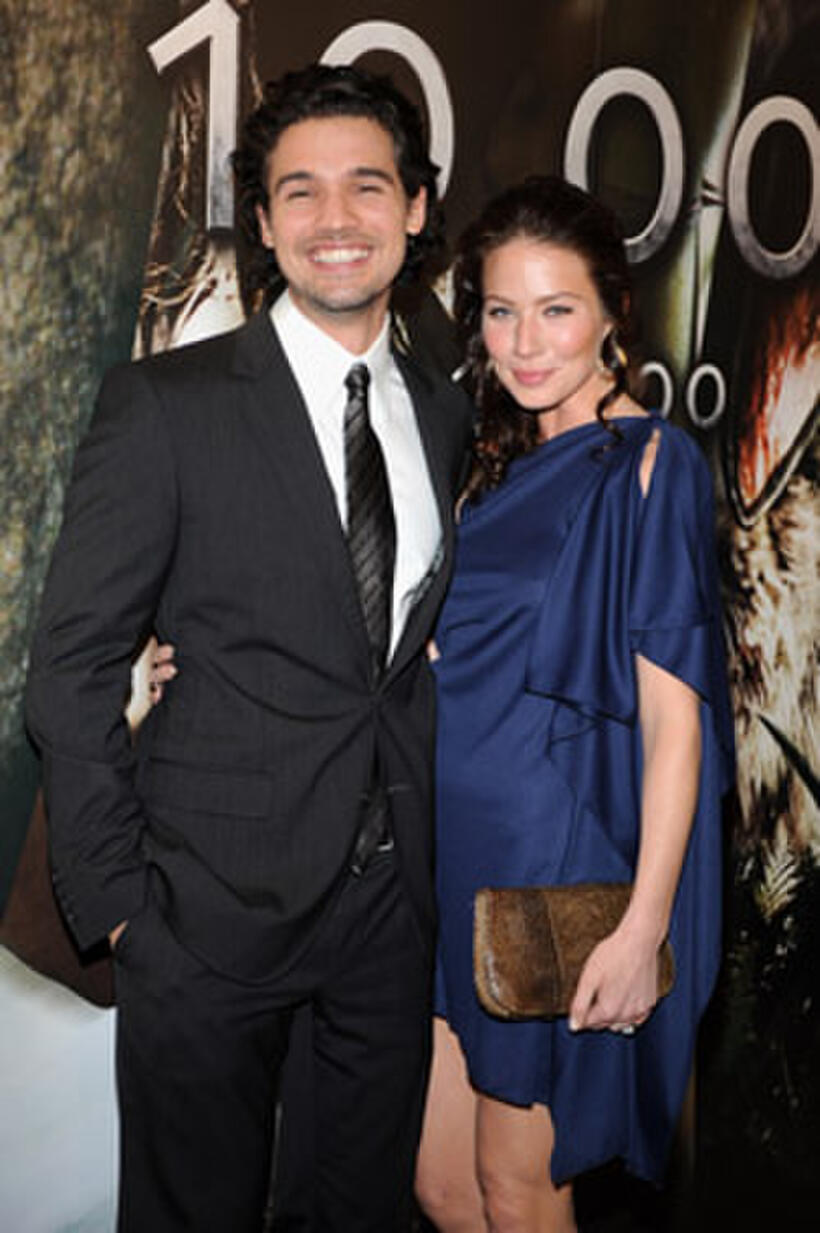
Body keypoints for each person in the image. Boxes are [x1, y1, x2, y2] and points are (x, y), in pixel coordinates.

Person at [25, 63, 472, 1233]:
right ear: (265, 224)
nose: (338, 221)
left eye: (367, 188)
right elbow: (70, 669)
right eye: (301, 193)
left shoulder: (441, 409)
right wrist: (120, 904)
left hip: (387, 921)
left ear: (416, 209)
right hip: (204, 913)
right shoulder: (164, 403)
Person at [413, 176, 734, 1232]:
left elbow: (674, 718)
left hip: (553, 860)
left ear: (609, 314)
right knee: (442, 1186)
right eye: (500, 310)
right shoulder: (498, 463)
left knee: (516, 1188)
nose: (524, 340)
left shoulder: (651, 465)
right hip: (454, 858)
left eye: (556, 309)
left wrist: (643, 926)